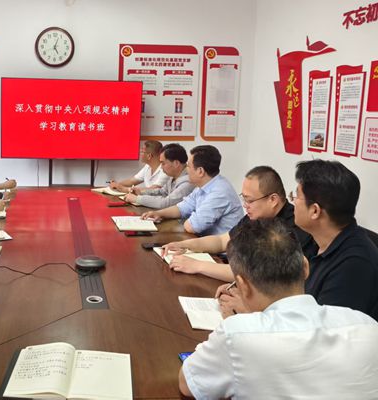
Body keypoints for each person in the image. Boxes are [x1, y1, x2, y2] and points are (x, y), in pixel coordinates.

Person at [179, 219, 378, 399]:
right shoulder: (367, 326)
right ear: (305, 267)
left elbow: (187, 384)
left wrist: (239, 321)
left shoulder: (236, 334)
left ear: (242, 285)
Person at [162, 166, 310, 282]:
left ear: (273, 200)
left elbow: (256, 274)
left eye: (249, 200)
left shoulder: (292, 229)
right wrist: (185, 245)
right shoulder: (256, 216)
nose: (245, 205)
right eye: (244, 198)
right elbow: (222, 241)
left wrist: (197, 266)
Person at [290, 159, 378, 320]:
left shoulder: (354, 265)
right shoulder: (314, 240)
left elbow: (327, 329)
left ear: (315, 211)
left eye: (296, 196)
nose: (293, 201)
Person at [142, 145, 243, 235]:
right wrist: (159, 214)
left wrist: (186, 219)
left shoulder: (219, 192)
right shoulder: (203, 185)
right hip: (204, 240)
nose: (186, 169)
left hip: (221, 249)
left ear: (200, 171)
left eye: (189, 166)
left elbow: (193, 226)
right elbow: (182, 208)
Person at [124, 143, 194, 209]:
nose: (161, 167)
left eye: (163, 163)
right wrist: (141, 192)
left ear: (176, 163)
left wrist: (137, 199)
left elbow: (166, 203)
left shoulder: (188, 181)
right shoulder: (173, 176)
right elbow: (162, 192)